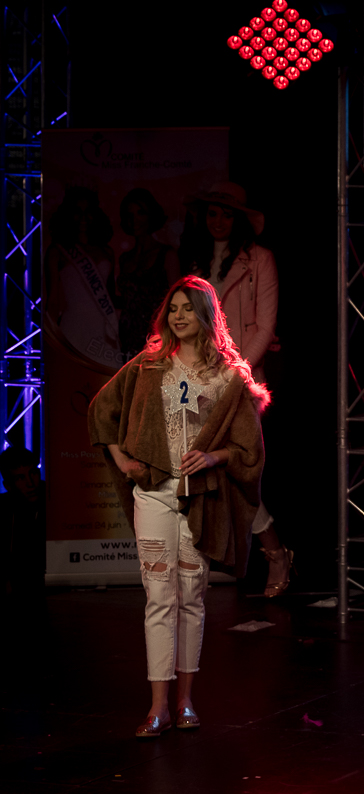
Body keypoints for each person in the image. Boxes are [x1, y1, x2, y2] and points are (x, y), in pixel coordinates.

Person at [88, 276, 269, 737]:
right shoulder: (150, 366)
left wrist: (212, 456)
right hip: (154, 493)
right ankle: (158, 707)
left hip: (200, 498)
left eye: (188, 308)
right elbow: (101, 410)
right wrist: (122, 460)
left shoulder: (227, 376)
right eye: (173, 308)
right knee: (158, 598)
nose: (179, 316)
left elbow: (247, 449)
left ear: (206, 314)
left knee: (191, 598)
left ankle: (185, 701)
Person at [179, 182, 291, 596]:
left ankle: (273, 552)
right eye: (212, 212)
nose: (219, 221)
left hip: (242, 379)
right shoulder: (195, 259)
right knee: (206, 464)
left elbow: (265, 325)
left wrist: (237, 372)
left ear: (239, 218)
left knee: (237, 465)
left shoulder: (260, 259)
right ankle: (247, 553)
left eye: (227, 214)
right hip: (199, 374)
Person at [44, 186, 123, 369]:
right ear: (68, 215)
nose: (83, 218)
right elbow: (53, 302)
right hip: (73, 327)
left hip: (104, 328)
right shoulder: (57, 251)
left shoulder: (107, 252)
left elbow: (110, 296)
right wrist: (52, 340)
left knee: (106, 379)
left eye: (88, 212)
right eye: (77, 212)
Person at [116, 188, 180, 360]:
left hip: (156, 338)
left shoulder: (167, 255)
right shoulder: (124, 259)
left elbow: (178, 302)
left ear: (151, 215)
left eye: (140, 213)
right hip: (126, 338)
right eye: (130, 214)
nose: (134, 220)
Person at [1, 446, 46, 605]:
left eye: (33, 473)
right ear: (8, 485)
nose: (30, 483)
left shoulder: (56, 499)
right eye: (20, 478)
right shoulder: (3, 509)